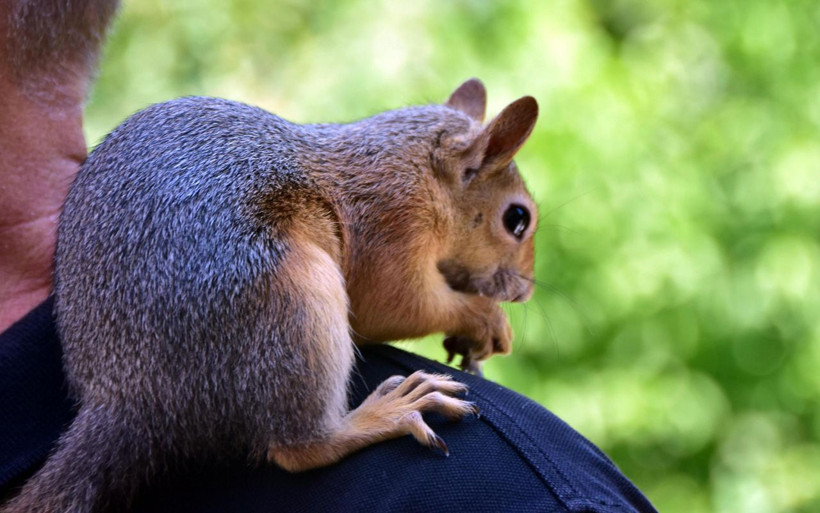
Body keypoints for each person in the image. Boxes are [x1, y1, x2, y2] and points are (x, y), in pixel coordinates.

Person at [0, 2, 656, 511]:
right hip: (213, 309)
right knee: (302, 272)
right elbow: (386, 297)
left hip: (143, 361)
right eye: (516, 223)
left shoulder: (529, 492)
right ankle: (309, 440)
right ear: (470, 164)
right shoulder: (407, 198)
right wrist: (468, 311)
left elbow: (355, 310)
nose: (519, 282)